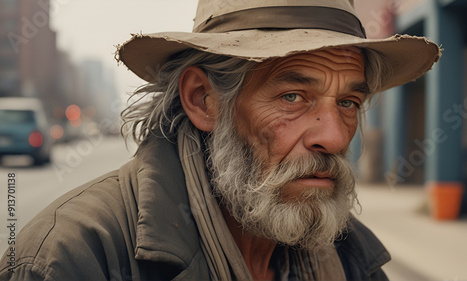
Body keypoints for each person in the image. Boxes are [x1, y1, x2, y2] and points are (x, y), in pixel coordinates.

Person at [0, 0, 440, 280]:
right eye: (292, 96)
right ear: (203, 99)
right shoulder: (73, 259)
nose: (333, 136)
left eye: (348, 103)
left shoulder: (348, 256)